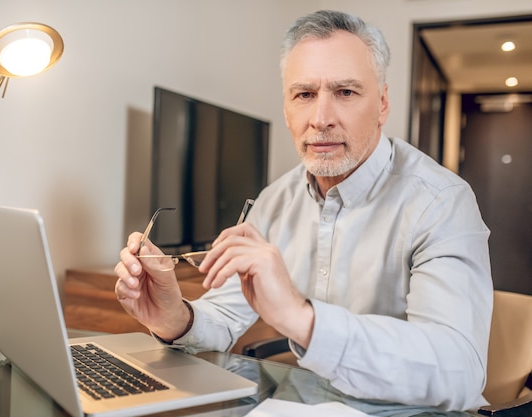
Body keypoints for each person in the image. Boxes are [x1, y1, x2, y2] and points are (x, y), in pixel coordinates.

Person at [115, 9, 493, 412]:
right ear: (286, 107)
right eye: (304, 95)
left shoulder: (441, 201)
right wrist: (174, 316)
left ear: (382, 104)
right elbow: (224, 315)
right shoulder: (274, 200)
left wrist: (303, 319)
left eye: (346, 92)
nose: (321, 119)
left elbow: (459, 370)